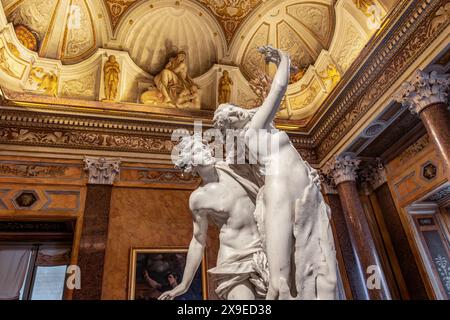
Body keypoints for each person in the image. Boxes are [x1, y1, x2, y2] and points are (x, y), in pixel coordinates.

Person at [213, 46, 337, 300]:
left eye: (232, 107)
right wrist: (284, 60)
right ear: (228, 127)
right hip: (279, 189)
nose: (234, 111)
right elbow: (278, 90)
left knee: (322, 271)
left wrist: (309, 172)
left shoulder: (260, 130)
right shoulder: (252, 131)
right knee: (280, 281)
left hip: (304, 188)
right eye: (228, 115)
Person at [158, 135, 268, 300]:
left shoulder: (234, 168)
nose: (207, 151)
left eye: (205, 147)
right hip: (234, 258)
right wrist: (184, 284)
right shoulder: (199, 198)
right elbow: (198, 241)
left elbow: (251, 134)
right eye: (198, 150)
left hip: (267, 251)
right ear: (190, 163)